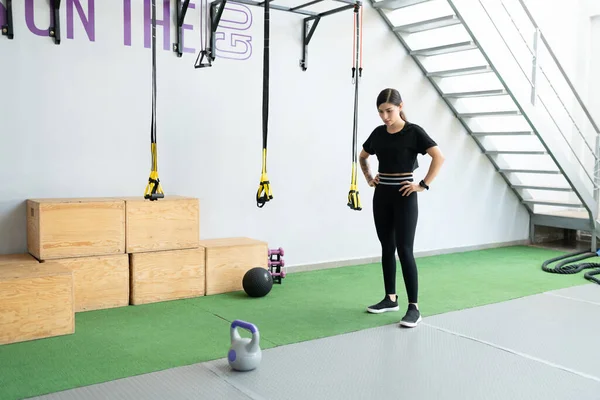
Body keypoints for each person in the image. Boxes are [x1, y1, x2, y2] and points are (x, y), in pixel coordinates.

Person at [359, 88, 445, 328]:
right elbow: (363, 156)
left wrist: (423, 185)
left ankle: (414, 308)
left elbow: (439, 157)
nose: (385, 116)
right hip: (382, 195)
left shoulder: (413, 132)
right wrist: (368, 178)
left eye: (389, 110)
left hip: (405, 196)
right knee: (387, 247)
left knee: (404, 249)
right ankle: (390, 298)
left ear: (400, 106)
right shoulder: (378, 133)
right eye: (380, 112)